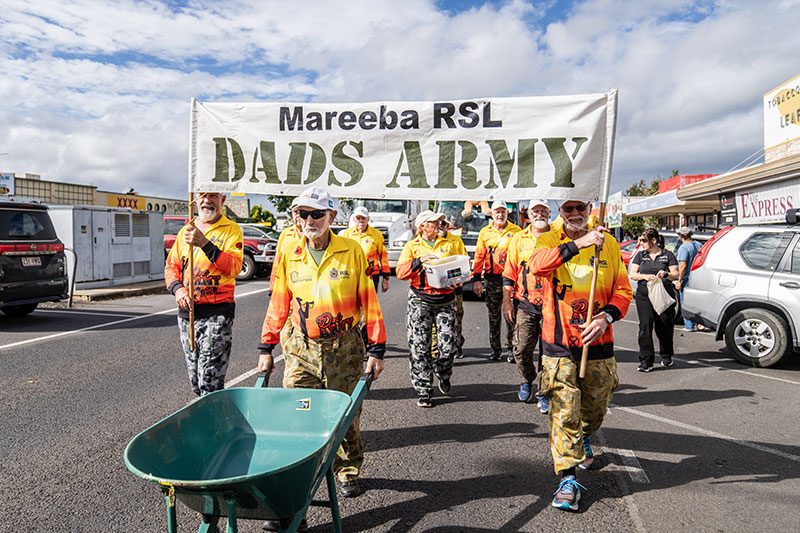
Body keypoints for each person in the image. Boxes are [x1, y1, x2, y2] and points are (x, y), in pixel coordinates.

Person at [257, 186, 386, 514]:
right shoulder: (290, 251)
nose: (309, 220)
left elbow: (368, 301)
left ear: (332, 216)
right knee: (299, 412)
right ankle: (301, 475)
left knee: (345, 414)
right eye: (303, 213)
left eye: (317, 213)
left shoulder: (352, 250)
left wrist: (377, 349)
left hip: (344, 349)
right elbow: (279, 302)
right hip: (300, 348)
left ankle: (347, 468)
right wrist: (267, 346)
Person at [529, 199, 632, 512]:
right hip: (558, 343)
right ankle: (568, 477)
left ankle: (585, 436)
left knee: (597, 402)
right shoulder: (549, 238)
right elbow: (537, 265)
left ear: (589, 208)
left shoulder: (609, 243)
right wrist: (579, 244)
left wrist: (606, 318)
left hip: (598, 340)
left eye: (579, 209)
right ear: (560, 211)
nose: (574, 214)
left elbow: (623, 290)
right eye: (567, 209)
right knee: (564, 409)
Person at [165, 192, 243, 397]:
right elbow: (171, 267)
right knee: (195, 383)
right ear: (195, 199)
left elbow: (234, 267)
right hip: (188, 314)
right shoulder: (186, 231)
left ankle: (214, 426)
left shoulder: (231, 230)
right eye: (202, 195)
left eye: (213, 196)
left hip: (217, 313)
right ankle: (210, 420)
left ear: (222, 200)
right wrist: (178, 289)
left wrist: (205, 244)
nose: (207, 200)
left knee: (209, 382)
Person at [396, 210, 466, 407]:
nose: (439, 225)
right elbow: (400, 272)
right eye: (434, 222)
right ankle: (424, 389)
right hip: (420, 300)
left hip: (446, 300)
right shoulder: (412, 246)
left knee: (448, 347)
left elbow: (463, 267)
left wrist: (458, 282)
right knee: (420, 348)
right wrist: (419, 261)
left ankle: (443, 372)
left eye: (440, 222)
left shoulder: (451, 242)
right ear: (422, 226)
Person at [502, 199, 550, 413]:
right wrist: (507, 302)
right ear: (528, 214)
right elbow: (509, 274)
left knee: (549, 353)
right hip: (525, 303)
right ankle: (527, 379)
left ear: (549, 213)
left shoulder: (558, 236)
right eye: (535, 211)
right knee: (521, 349)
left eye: (543, 211)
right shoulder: (519, 239)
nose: (539, 214)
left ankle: (545, 392)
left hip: (552, 306)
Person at [473, 200, 522, 362]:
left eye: (503, 211)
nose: (500, 214)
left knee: (511, 315)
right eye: (497, 212)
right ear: (492, 213)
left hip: (512, 280)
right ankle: (495, 349)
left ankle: (511, 348)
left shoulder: (516, 231)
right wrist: (477, 279)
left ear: (507, 213)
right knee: (493, 316)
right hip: (492, 280)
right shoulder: (485, 232)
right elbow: (479, 256)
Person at [629, 228, 680, 371]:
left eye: (644, 240)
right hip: (644, 294)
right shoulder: (641, 255)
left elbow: (675, 274)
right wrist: (644, 276)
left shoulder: (667, 255)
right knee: (645, 327)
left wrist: (666, 274)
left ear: (654, 240)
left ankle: (666, 355)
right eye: (640, 240)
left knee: (664, 325)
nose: (641, 243)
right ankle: (646, 361)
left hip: (663, 293)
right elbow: (633, 274)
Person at [339, 206, 390, 292]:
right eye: (358, 218)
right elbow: (341, 256)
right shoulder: (347, 234)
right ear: (355, 219)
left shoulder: (376, 234)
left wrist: (386, 278)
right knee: (352, 303)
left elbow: (383, 257)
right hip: (352, 275)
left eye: (363, 218)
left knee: (370, 304)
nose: (361, 221)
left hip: (371, 275)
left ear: (368, 219)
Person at [675, 226, 705, 332]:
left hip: (687, 279)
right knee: (698, 302)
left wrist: (679, 280)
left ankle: (689, 325)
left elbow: (683, 265)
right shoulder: (698, 245)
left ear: (681, 236)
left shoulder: (684, 248)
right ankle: (700, 323)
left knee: (685, 303)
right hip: (698, 277)